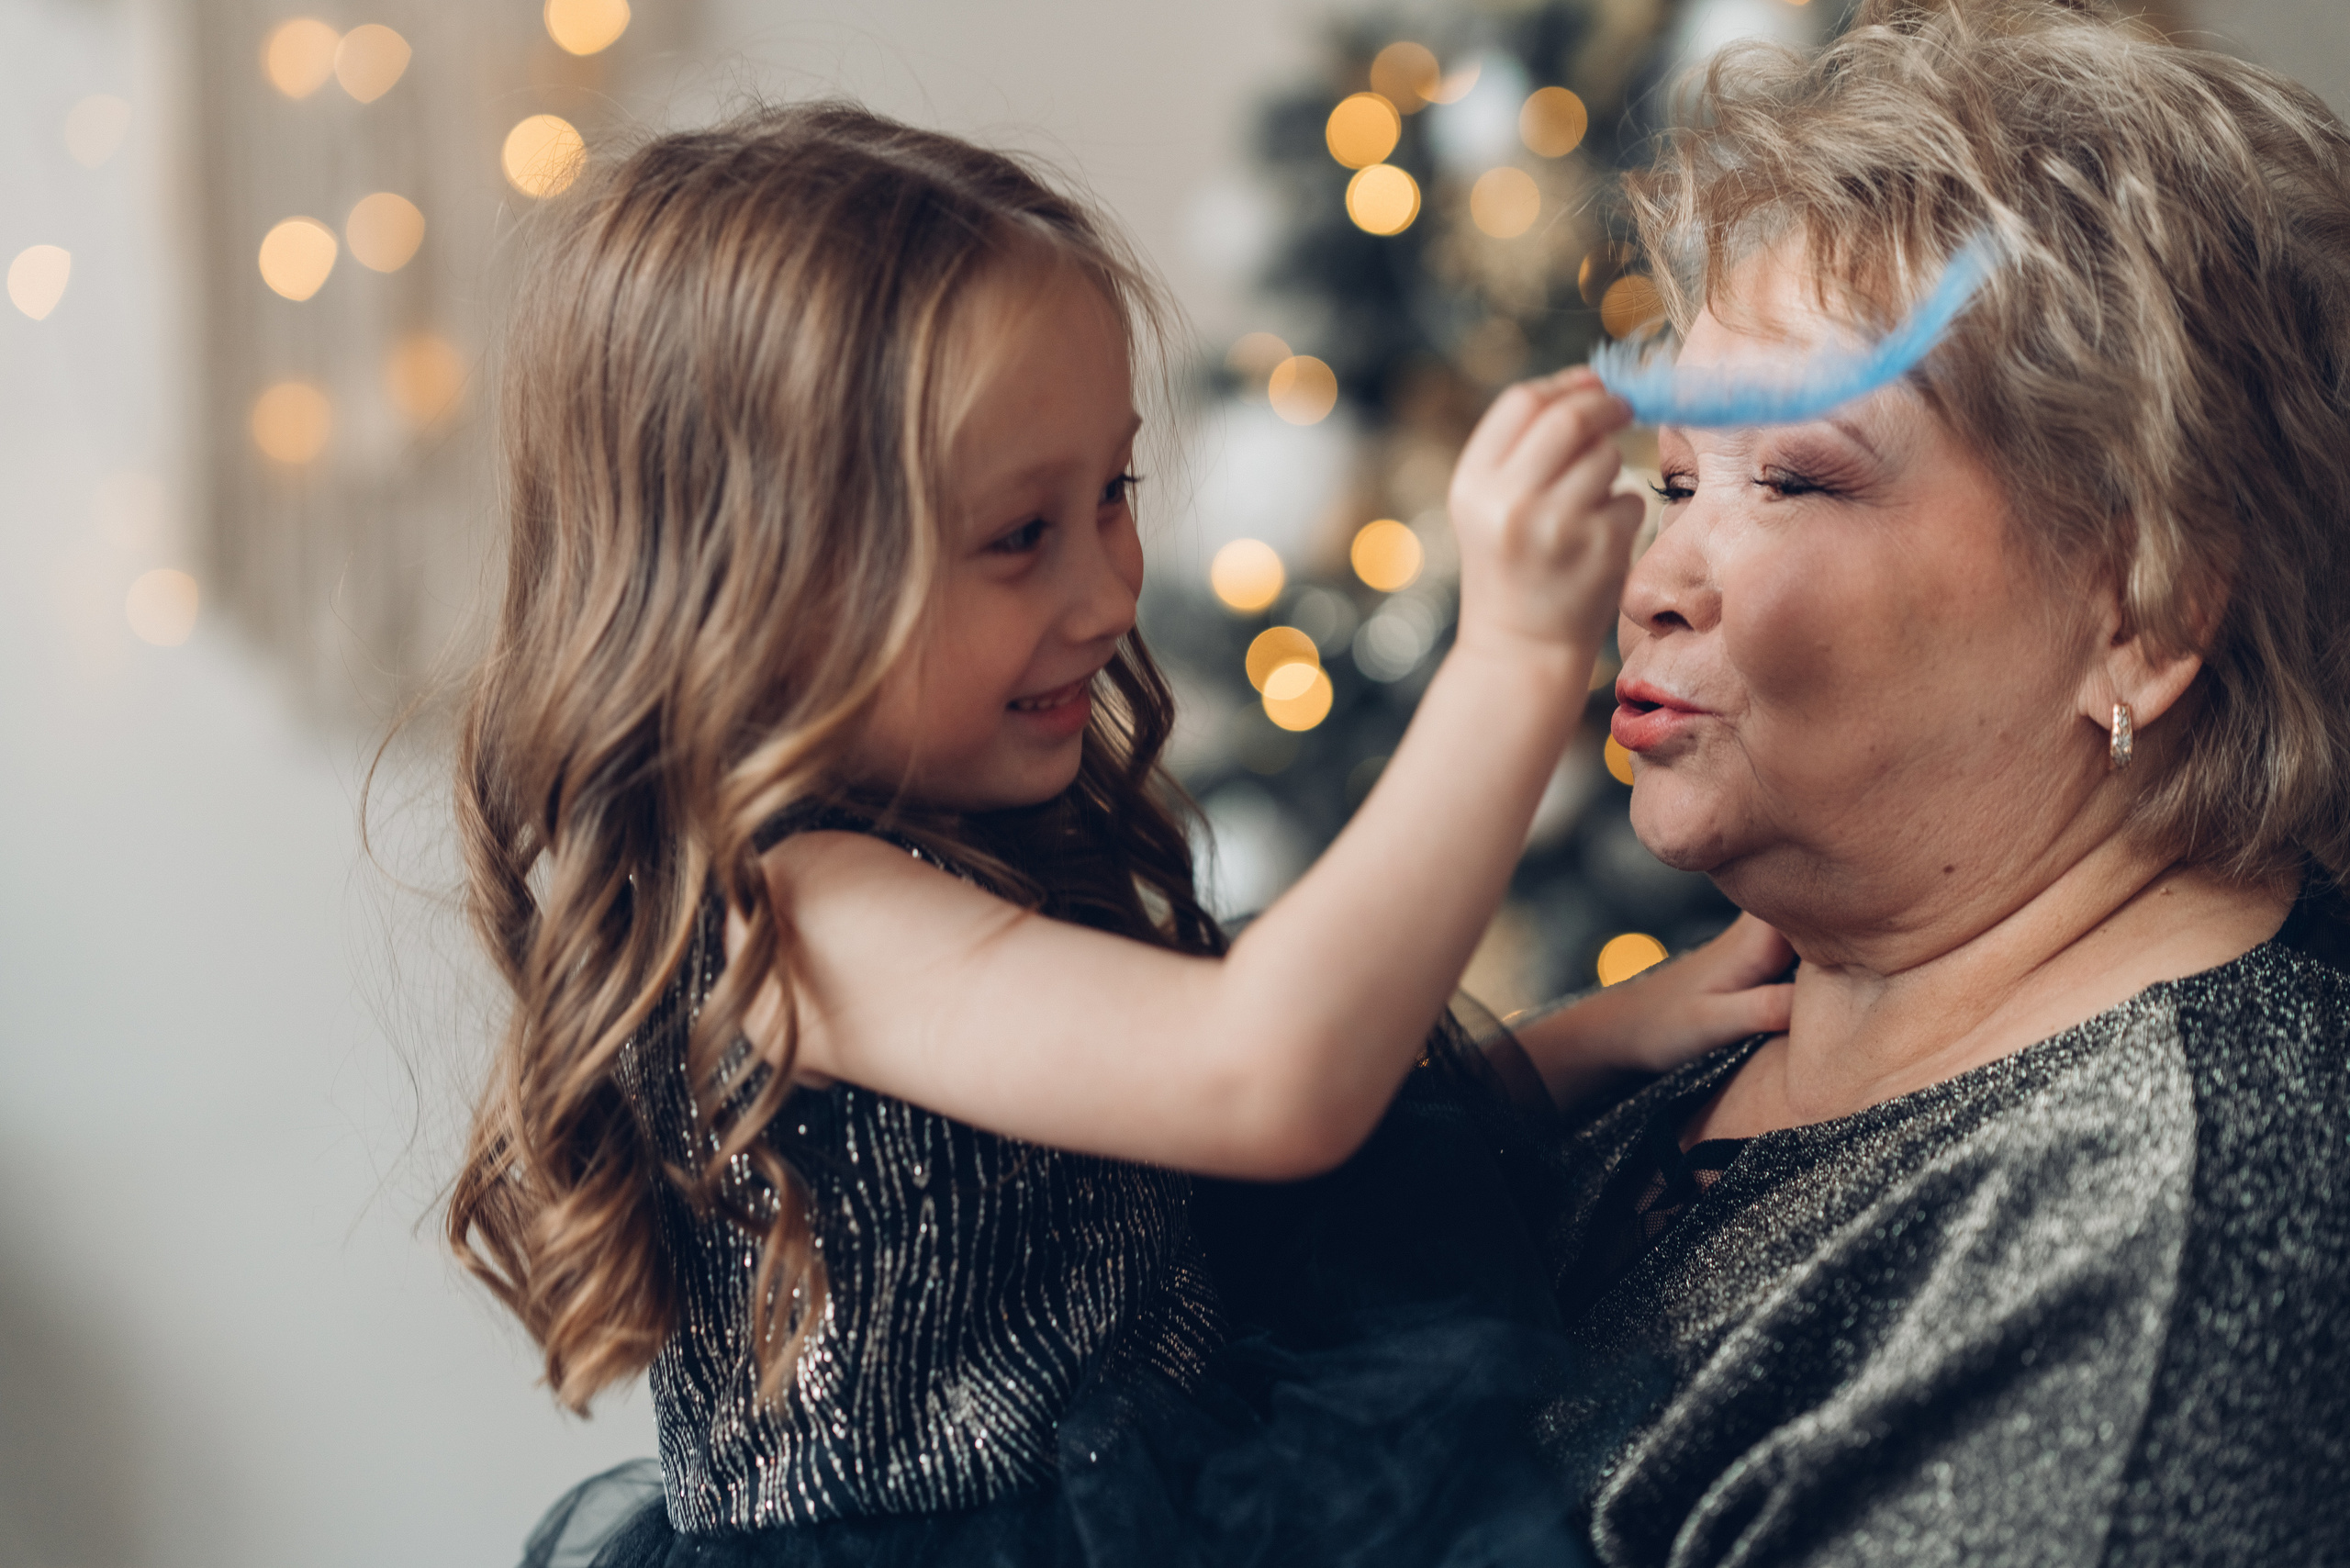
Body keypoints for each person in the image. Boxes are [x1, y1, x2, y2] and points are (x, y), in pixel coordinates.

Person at [448, 104, 1792, 1567]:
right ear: (756, 582)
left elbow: (1199, 1197)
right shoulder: (800, 919)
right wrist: (1513, 662)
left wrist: (1598, 1040)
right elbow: (1268, 1080)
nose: (1107, 591)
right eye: (1022, 534)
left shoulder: (949, 841)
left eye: (1114, 493)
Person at [1542, 3, 2350, 1562]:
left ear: (2147, 619)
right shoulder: (1677, 1051)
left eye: (1790, 478)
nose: (1653, 581)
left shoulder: (2169, 1248)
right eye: (1678, 483)